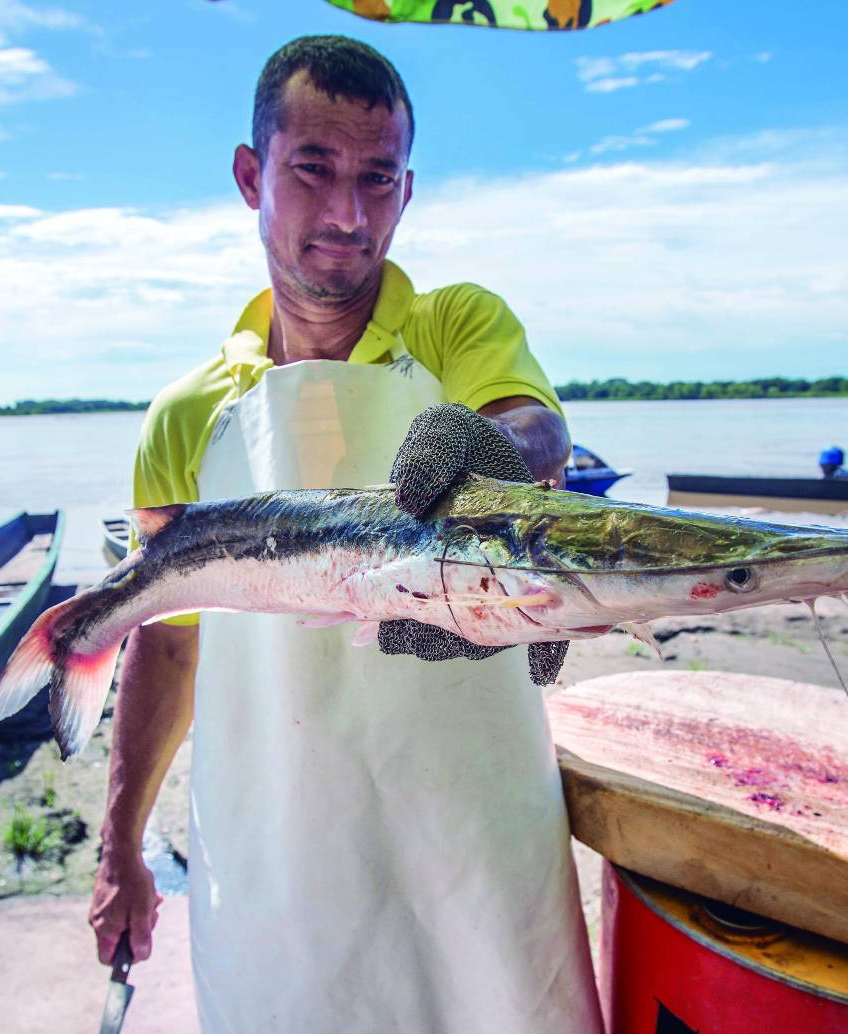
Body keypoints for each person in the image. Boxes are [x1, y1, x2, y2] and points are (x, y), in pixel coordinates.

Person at [89, 35, 602, 1033]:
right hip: (275, 844)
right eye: (312, 170)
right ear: (251, 176)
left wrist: (493, 447)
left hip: (473, 827)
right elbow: (169, 641)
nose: (346, 215)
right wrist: (119, 846)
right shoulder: (185, 417)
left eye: (375, 179)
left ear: (405, 192)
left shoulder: (453, 327)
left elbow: (535, 427)